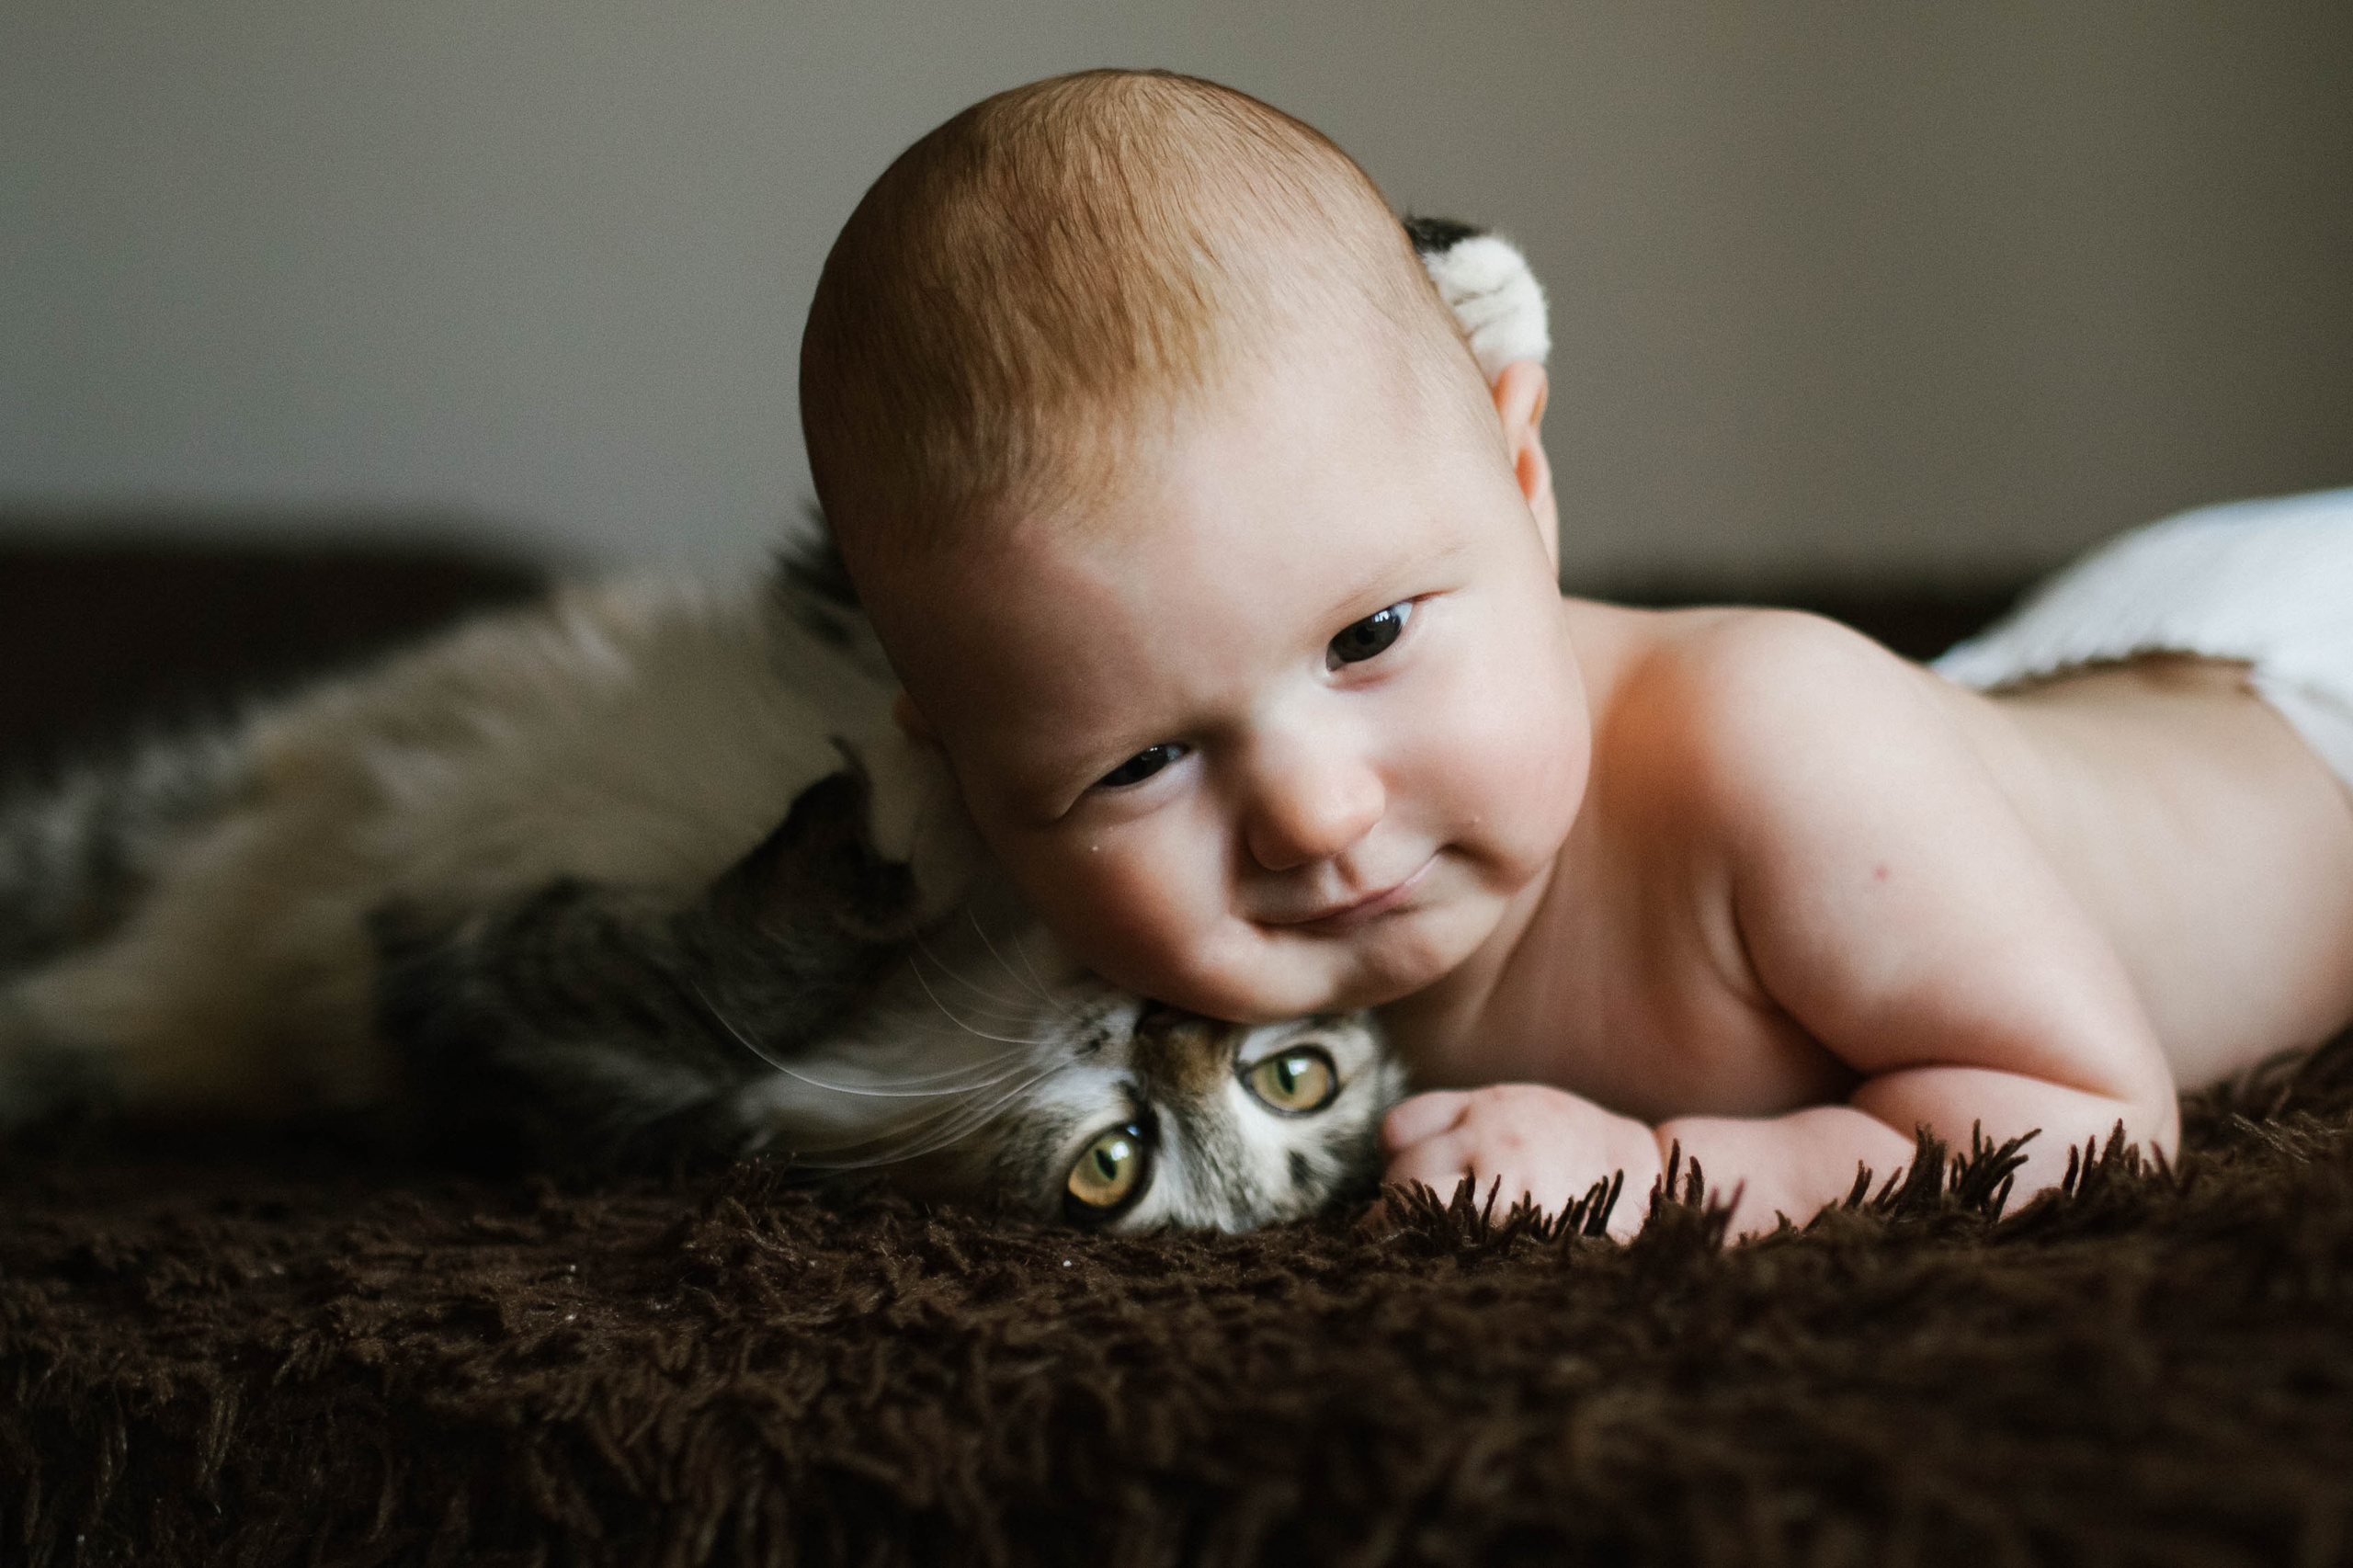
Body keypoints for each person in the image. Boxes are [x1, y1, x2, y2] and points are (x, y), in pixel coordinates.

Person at [797, 69, 2353, 1238]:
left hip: (2310, 709)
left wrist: (1670, 1176)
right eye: (1142, 761)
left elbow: (2096, 1121)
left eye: (1371, 635)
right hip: (2062, 690)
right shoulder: (1154, 902)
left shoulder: (1773, 756)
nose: (1316, 816)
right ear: (970, 776)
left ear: (1524, 484)